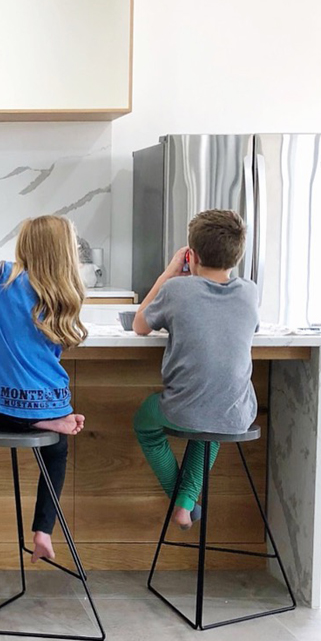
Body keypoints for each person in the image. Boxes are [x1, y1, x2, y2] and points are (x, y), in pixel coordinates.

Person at [0, 216, 87, 562]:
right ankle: (43, 530)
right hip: (52, 400)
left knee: (9, 411)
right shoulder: (66, 293)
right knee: (56, 451)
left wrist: (4, 272)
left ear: (24, 247)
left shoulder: (3, 278)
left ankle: (37, 420)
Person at [132, 208, 259, 529]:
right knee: (215, 418)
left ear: (192, 256)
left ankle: (180, 500)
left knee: (145, 423)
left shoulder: (177, 290)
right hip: (236, 413)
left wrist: (167, 274)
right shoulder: (250, 292)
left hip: (183, 409)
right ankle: (185, 506)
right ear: (237, 256)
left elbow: (139, 325)